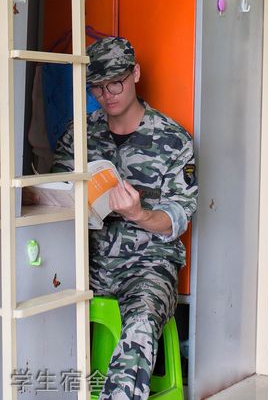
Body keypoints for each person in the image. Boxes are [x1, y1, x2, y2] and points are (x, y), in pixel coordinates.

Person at [51, 37, 198, 400]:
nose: (107, 94)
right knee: (31, 306)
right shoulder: (79, 134)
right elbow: (56, 194)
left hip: (147, 264)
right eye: (98, 87)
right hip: (86, 260)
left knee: (142, 322)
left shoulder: (173, 139)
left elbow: (179, 217)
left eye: (115, 82)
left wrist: (140, 214)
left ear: (134, 73)